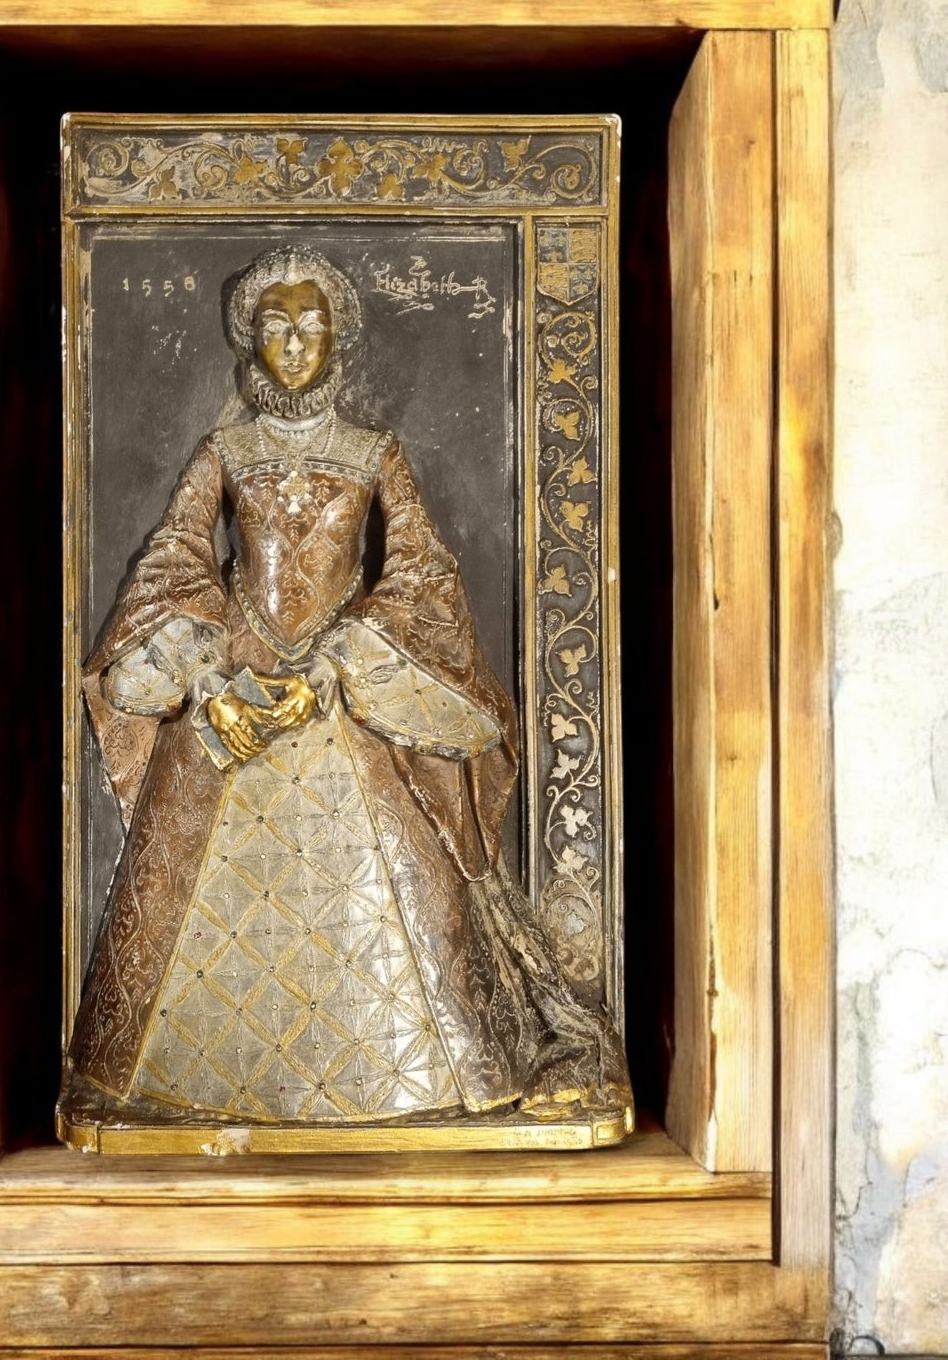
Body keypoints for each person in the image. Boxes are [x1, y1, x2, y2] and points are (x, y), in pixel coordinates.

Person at [59, 244, 632, 1132]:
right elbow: (176, 555)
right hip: (236, 681)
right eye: (277, 326)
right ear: (252, 340)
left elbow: (420, 572)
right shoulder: (225, 450)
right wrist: (208, 674)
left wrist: (335, 666)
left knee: (416, 882)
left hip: (344, 684)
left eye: (311, 325)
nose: (294, 342)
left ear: (337, 339)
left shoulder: (372, 452)